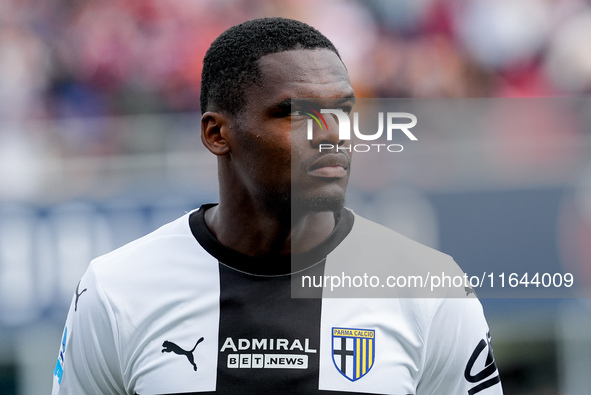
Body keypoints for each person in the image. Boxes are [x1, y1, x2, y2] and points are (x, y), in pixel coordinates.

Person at [52, 17, 503, 394]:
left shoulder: (429, 289)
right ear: (217, 134)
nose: (332, 133)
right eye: (294, 113)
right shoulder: (116, 289)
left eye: (343, 110)